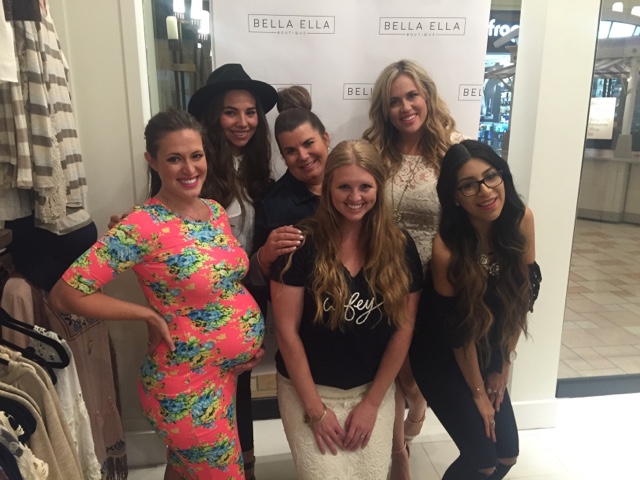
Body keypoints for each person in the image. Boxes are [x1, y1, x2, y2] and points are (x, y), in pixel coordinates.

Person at [50, 108, 265, 480]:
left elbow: (219, 285)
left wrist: (237, 348)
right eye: (174, 159)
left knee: (182, 470)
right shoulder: (140, 225)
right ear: (152, 160)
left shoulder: (214, 212)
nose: (189, 168)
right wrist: (146, 314)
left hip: (220, 376)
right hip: (184, 387)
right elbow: (65, 294)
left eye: (196, 156)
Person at [270, 140, 423, 479]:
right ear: (328, 188)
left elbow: (404, 328)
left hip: (372, 390)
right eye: (344, 187)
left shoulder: (400, 246)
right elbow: (286, 332)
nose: (355, 197)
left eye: (365, 186)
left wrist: (372, 404)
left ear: (378, 187)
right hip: (307, 389)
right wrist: (316, 411)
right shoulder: (299, 243)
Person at [409, 140, 541, 479]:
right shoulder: (447, 248)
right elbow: (458, 330)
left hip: (488, 348)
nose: (485, 191)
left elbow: (519, 302)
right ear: (454, 196)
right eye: (469, 185)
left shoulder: (521, 220)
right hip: (441, 353)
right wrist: (478, 393)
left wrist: (502, 366)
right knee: (482, 459)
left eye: (491, 176)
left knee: (506, 456)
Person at [363, 59, 466, 477]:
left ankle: (418, 408)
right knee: (391, 369)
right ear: (384, 109)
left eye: (411, 96)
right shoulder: (374, 149)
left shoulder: (455, 150)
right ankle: (398, 454)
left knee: (415, 378)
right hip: (384, 278)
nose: (405, 107)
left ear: (427, 96)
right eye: (394, 101)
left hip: (437, 281)